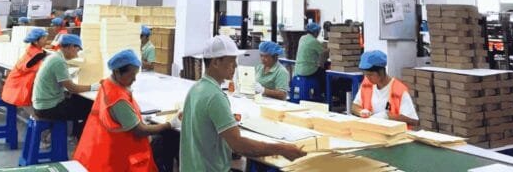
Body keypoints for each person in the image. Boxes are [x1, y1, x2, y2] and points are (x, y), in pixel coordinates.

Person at [180, 35, 306, 171]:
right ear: (216, 62)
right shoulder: (215, 96)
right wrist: (281, 148)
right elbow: (238, 145)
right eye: (232, 60)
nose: (235, 65)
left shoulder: (196, 88)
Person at [74, 50, 179, 172]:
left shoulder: (107, 84)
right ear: (117, 72)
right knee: (168, 139)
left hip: (99, 146)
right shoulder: (118, 99)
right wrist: (170, 124)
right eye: (131, 75)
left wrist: (135, 117)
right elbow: (140, 131)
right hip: (119, 153)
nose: (134, 79)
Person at [32, 34, 99, 138]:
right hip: (48, 108)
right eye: (77, 50)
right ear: (71, 47)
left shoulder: (54, 57)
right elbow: (72, 88)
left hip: (42, 104)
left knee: (80, 101)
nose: (77, 55)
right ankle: (81, 140)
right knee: (90, 107)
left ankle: (75, 135)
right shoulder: (58, 62)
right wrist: (93, 87)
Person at [351, 50, 419, 128]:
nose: (368, 78)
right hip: (372, 131)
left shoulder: (398, 90)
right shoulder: (367, 84)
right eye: (366, 74)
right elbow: (354, 107)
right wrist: (361, 112)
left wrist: (388, 116)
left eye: (371, 75)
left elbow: (414, 121)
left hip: (393, 135)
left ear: (381, 71)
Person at [1, 28, 49, 107]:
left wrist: (44, 54)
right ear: (35, 41)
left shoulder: (34, 50)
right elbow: (28, 65)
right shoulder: (35, 55)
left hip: (17, 87)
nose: (46, 40)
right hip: (16, 89)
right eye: (43, 38)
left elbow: (41, 55)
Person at [294, 22, 326, 96]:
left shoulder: (302, 38)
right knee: (324, 75)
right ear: (316, 32)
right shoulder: (314, 41)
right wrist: (330, 48)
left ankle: (317, 93)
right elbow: (323, 53)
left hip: (298, 69)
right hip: (308, 71)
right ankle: (322, 95)